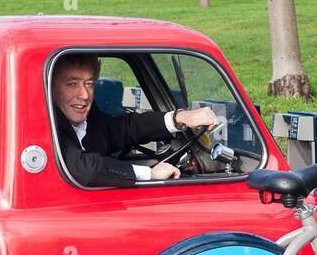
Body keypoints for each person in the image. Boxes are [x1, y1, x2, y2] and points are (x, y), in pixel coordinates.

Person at [51, 54, 218, 187]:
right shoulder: (44, 125)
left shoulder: (88, 115)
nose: (84, 95)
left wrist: (180, 117)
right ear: (50, 86)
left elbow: (124, 128)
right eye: (72, 84)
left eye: (89, 83)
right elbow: (85, 169)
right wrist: (150, 174)